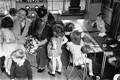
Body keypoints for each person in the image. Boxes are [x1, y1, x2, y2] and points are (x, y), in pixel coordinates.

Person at [28, 5, 55, 72]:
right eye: (41, 18)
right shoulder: (37, 20)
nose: (43, 19)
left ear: (47, 14)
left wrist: (45, 40)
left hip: (47, 40)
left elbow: (52, 33)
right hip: (37, 38)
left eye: (44, 17)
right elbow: (33, 29)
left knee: (41, 49)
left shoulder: (51, 21)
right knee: (29, 46)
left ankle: (41, 66)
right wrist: (32, 36)